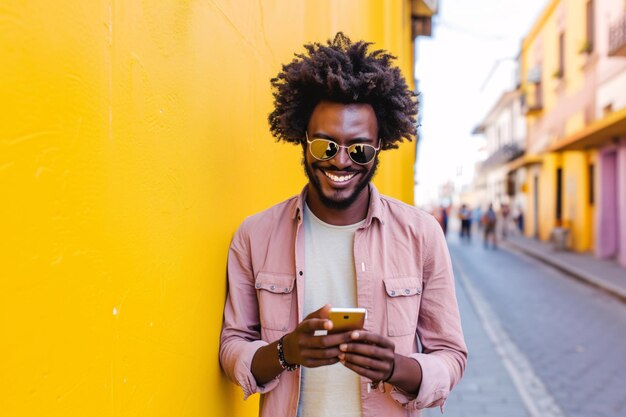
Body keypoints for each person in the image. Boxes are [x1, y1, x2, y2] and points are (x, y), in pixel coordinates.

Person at [219, 33, 467, 417]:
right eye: (325, 146)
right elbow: (232, 346)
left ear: (380, 146)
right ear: (302, 140)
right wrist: (286, 352)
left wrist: (397, 368)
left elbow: (451, 355)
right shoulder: (255, 235)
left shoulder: (421, 234)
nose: (340, 162)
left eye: (359, 149)